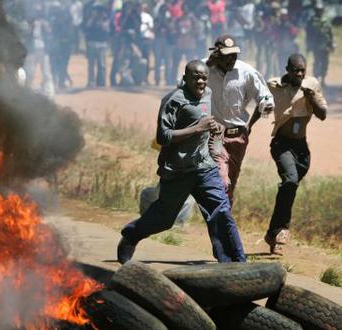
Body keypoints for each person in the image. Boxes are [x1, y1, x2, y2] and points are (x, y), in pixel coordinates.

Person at [117, 60, 247, 264]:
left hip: (205, 167)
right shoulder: (174, 100)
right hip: (178, 170)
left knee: (220, 211)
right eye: (196, 77)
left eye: (204, 77)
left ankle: (234, 264)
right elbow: (163, 136)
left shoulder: (208, 94)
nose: (201, 81)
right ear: (185, 78)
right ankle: (131, 236)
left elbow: (205, 122)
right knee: (164, 219)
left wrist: (214, 128)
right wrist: (197, 128)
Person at [250, 54, 327, 255]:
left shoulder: (311, 85)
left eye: (303, 70)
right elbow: (262, 107)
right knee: (290, 182)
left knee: (288, 189)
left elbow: (323, 114)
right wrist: (248, 126)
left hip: (301, 149)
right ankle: (282, 229)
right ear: (287, 69)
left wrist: (311, 96)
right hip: (281, 144)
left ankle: (272, 233)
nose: (300, 74)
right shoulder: (275, 86)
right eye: (295, 70)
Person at [205, 34, 274, 205]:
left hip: (238, 136)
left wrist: (250, 125)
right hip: (215, 135)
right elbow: (181, 84)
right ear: (217, 54)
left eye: (234, 55)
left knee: (231, 181)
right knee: (221, 181)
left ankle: (223, 220)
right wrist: (206, 65)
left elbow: (265, 99)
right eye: (227, 55)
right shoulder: (204, 67)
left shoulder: (247, 72)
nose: (231, 59)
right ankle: (220, 218)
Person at [306, 3, 334, 85]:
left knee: (325, 63)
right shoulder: (312, 20)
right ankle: (316, 78)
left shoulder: (326, 20)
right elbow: (308, 34)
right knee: (317, 62)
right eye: (318, 10)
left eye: (321, 10)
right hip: (316, 46)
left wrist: (332, 44)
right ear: (316, 11)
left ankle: (323, 79)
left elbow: (330, 33)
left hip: (325, 46)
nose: (319, 12)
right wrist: (309, 45)